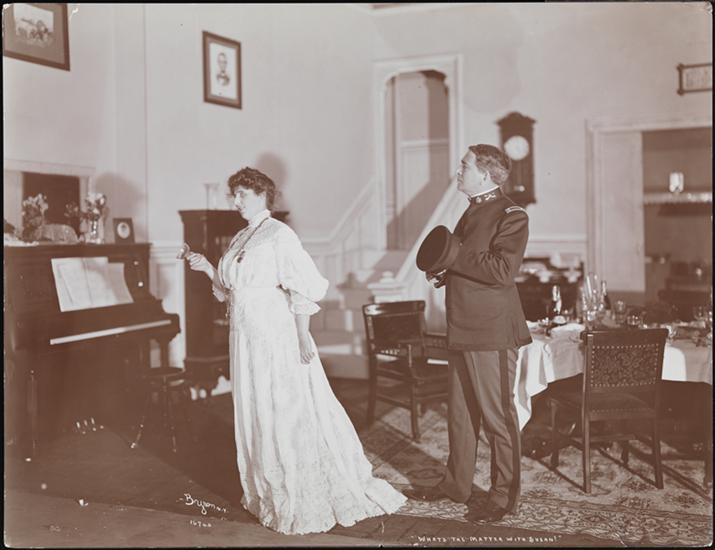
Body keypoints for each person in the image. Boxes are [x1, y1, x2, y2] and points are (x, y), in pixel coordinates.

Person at [185, 167, 406, 535]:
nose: (235, 201)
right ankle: (270, 493)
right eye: (233, 194)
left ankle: (300, 493)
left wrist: (302, 334)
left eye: (241, 194)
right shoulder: (242, 236)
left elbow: (304, 285)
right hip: (246, 337)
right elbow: (230, 292)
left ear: (261, 195)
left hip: (275, 334)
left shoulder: (279, 234)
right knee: (257, 408)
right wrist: (208, 268)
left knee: (285, 409)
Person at [409, 144, 532, 522]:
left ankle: (503, 496)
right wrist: (445, 270)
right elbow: (469, 262)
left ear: (486, 173)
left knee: (497, 418)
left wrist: (453, 256)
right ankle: (456, 485)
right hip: (461, 327)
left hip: (491, 331)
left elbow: (501, 271)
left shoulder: (512, 214)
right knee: (461, 416)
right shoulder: (472, 210)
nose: (458, 172)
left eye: (465, 166)